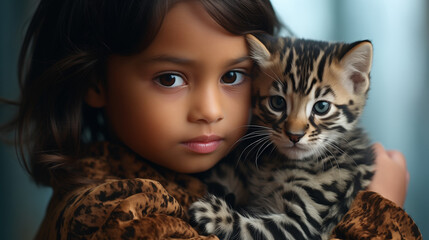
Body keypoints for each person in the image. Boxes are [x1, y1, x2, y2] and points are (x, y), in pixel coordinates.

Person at [2, 0, 421, 239]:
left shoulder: (214, 170)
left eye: (234, 76)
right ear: (96, 80)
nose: (210, 111)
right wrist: (379, 216)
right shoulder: (116, 212)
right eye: (170, 78)